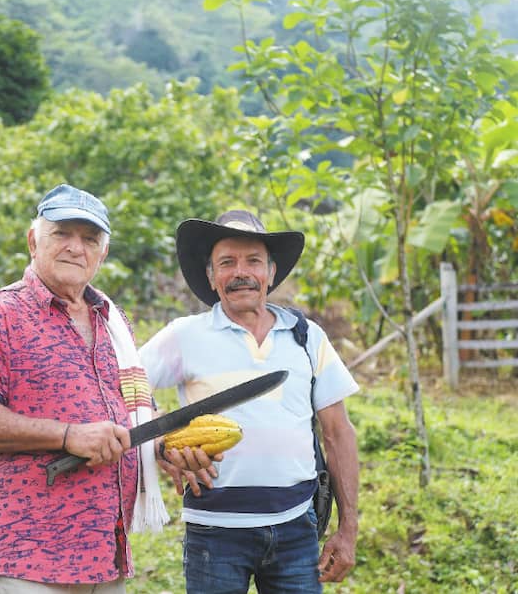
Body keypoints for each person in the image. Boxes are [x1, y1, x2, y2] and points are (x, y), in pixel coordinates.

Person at [0, 184, 169, 594]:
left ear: (103, 253)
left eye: (90, 239)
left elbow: (137, 414)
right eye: (62, 233)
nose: (75, 248)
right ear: (33, 241)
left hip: (105, 553)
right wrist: (68, 435)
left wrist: (170, 448)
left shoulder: (112, 321)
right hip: (27, 554)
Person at [139, 210, 359, 594]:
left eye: (253, 261)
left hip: (297, 528)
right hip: (214, 534)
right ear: (211, 276)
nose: (241, 272)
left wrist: (349, 529)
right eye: (227, 262)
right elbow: (121, 386)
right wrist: (160, 440)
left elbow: (338, 432)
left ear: (271, 272)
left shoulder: (307, 337)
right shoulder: (184, 336)